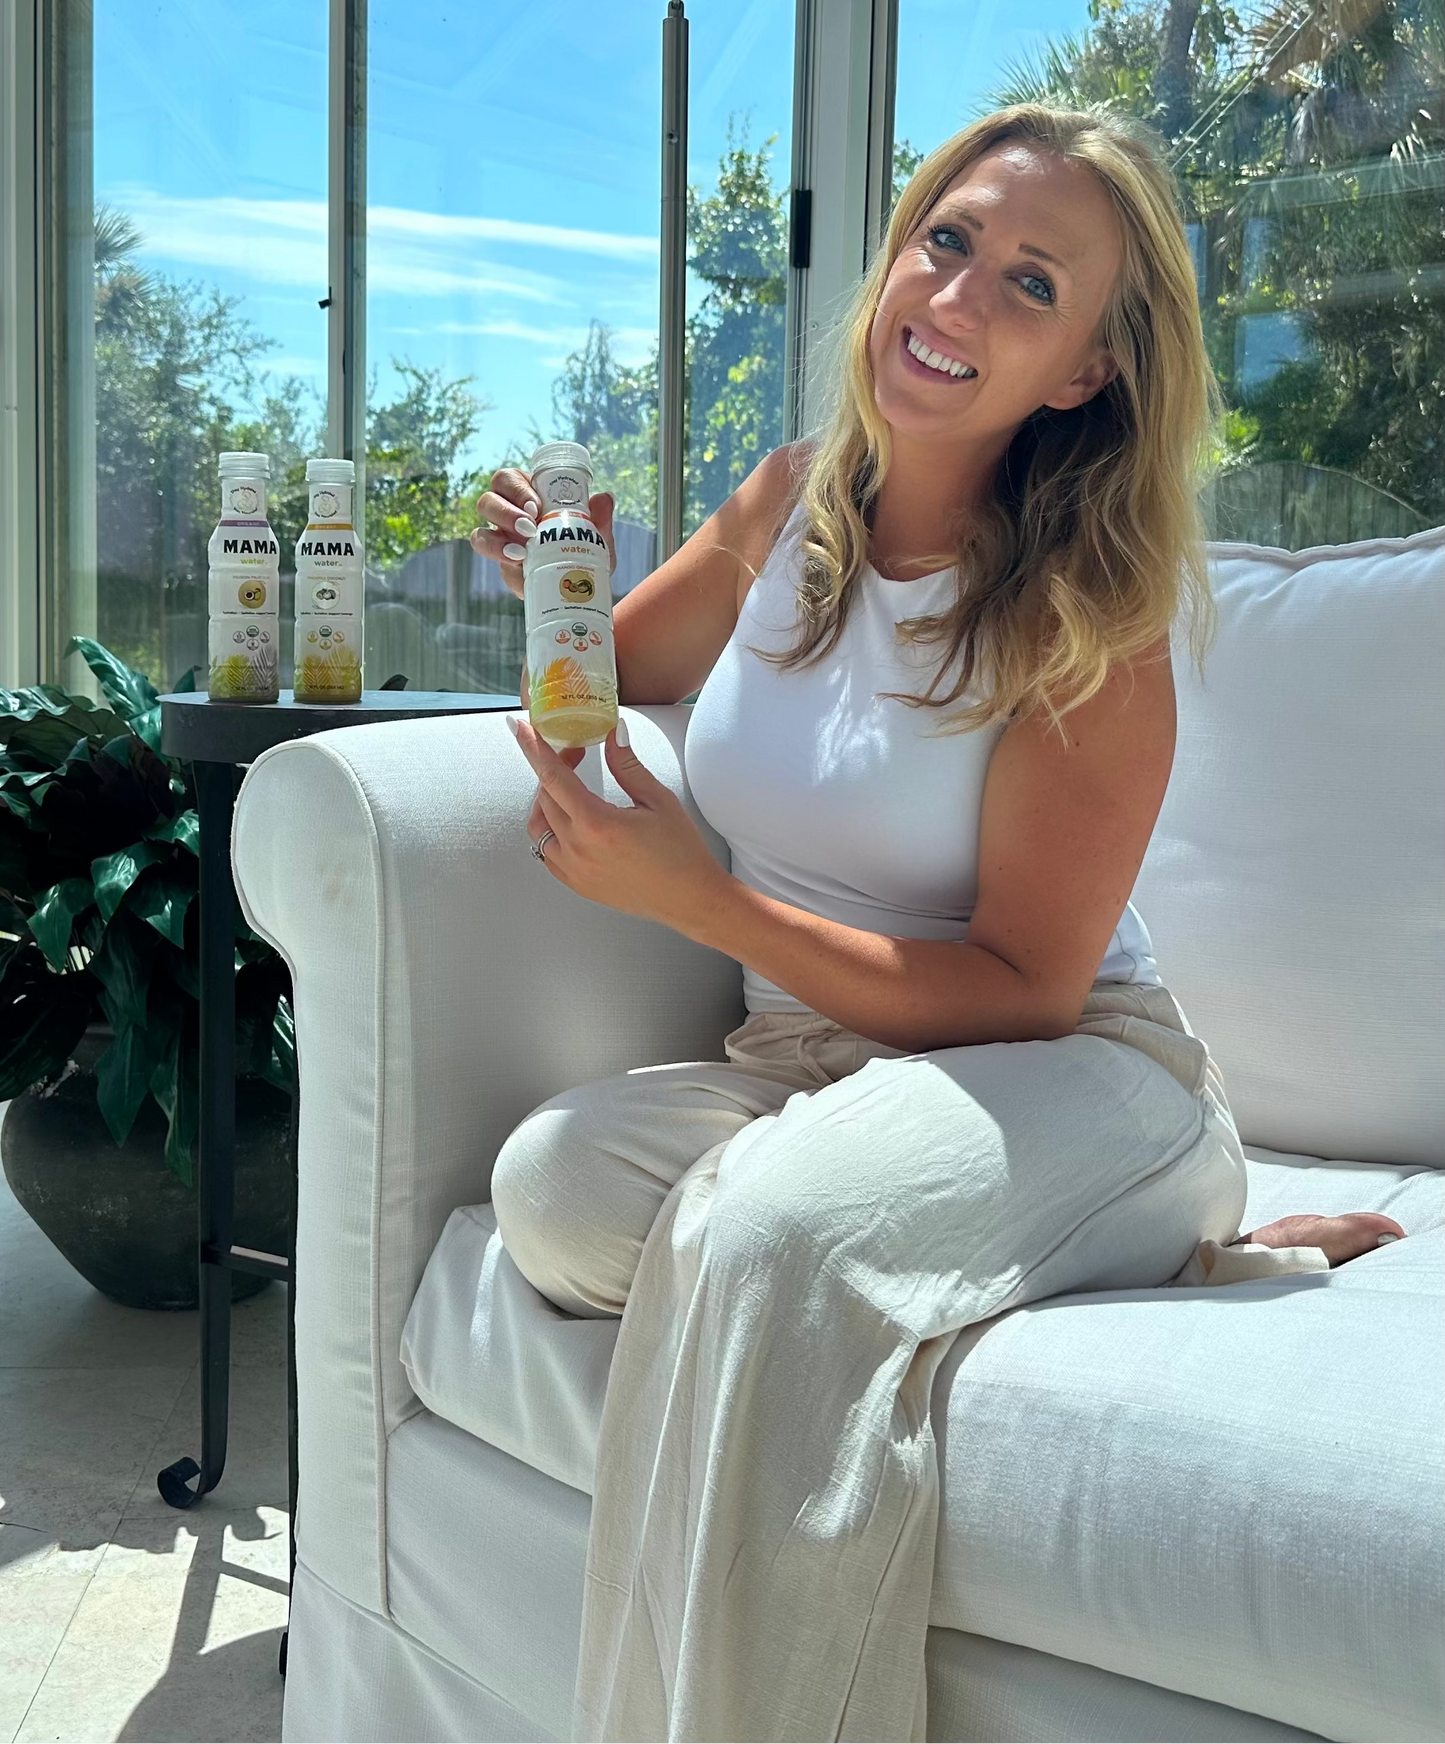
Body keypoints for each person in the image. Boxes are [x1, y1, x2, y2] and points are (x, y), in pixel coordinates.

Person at [471, 104, 1404, 1743]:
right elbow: (611, 675)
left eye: (1031, 283)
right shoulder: (783, 506)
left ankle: (1138, 1207)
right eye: (949, 239)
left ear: (1086, 370)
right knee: (556, 1190)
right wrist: (554, 586)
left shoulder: (1088, 616)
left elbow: (1030, 987)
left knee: (769, 1239)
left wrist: (708, 899)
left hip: (1072, 1071)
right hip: (813, 1071)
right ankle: (1081, 1255)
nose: (958, 295)